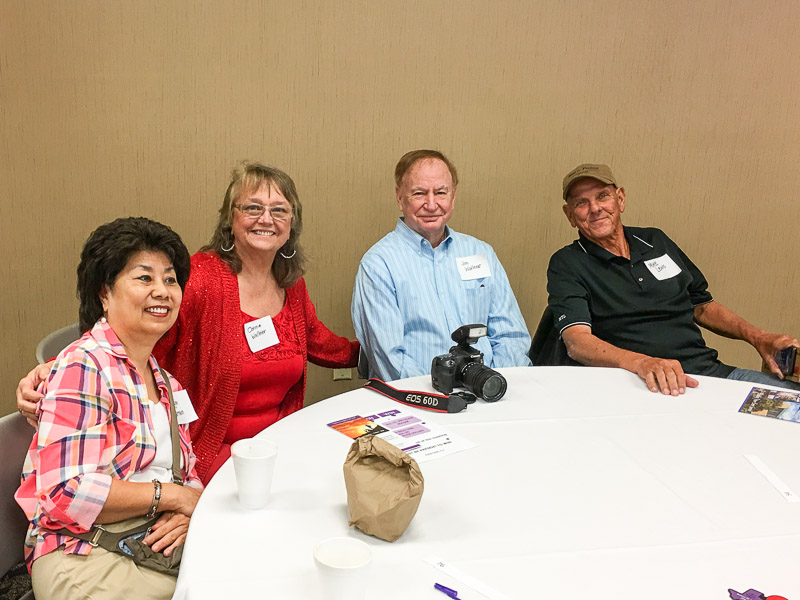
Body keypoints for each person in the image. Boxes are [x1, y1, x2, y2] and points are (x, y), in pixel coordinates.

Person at [18, 162, 359, 482]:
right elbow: (130, 334)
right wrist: (54, 369)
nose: (266, 218)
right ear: (230, 219)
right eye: (252, 207)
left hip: (278, 443)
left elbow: (320, 342)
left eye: (279, 209)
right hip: (209, 450)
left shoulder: (291, 283)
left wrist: (378, 356)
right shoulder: (200, 279)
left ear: (292, 222)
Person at [15, 217, 203, 600]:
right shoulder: (83, 366)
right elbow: (65, 492)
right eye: (144, 278)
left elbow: (188, 476)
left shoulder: (166, 382)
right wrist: (172, 497)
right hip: (84, 553)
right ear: (105, 292)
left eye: (170, 280)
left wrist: (186, 512)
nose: (162, 291)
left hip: (150, 542)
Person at [547, 163, 800, 396]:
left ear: (620, 199)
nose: (595, 208)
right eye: (581, 203)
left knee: (791, 407)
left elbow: (701, 306)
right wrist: (643, 363)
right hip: (638, 387)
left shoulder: (656, 241)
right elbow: (577, 342)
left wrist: (759, 338)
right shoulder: (568, 263)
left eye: (603, 196)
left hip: (708, 376)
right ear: (570, 215)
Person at [351, 149, 531, 381]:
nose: (431, 204)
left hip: (487, 392)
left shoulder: (481, 252)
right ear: (399, 197)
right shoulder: (379, 264)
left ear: (453, 196)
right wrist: (440, 397)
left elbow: (510, 334)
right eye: (419, 193)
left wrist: (494, 384)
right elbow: (389, 358)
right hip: (418, 400)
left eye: (441, 192)